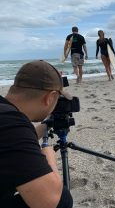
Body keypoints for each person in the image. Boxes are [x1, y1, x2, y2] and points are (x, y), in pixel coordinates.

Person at [0, 60, 73, 208]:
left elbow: (10, 146)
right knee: (62, 199)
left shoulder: (6, 118)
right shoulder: (13, 126)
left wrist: (44, 126)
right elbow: (48, 201)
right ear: (50, 97)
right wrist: (49, 157)